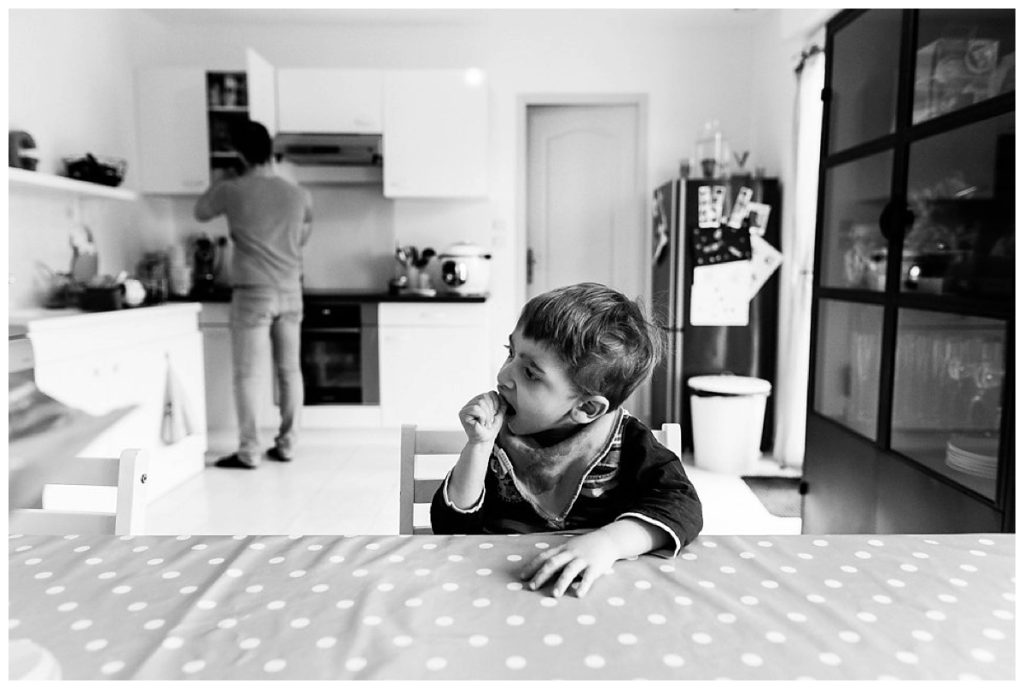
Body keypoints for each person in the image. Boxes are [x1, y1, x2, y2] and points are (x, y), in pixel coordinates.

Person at [431, 282, 703, 597]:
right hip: (495, 587)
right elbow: (450, 528)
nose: (503, 377)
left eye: (531, 373)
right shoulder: (498, 434)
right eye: (511, 353)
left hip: (589, 592)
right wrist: (478, 446)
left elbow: (683, 507)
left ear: (586, 408)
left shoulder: (627, 443)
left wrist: (609, 543)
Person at [194, 120, 313, 469]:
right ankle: (288, 445)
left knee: (249, 375)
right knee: (290, 371)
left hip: (253, 293)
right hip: (291, 290)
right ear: (270, 150)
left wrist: (225, 176)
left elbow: (200, 211)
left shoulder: (232, 190)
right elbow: (302, 237)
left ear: (240, 153)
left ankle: (249, 451)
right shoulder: (298, 194)